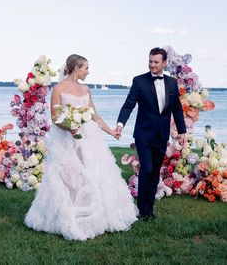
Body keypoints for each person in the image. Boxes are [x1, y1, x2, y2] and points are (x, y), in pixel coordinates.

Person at [24, 54, 137, 240]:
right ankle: (67, 215)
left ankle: (95, 217)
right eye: (86, 68)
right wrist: (69, 126)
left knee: (92, 174)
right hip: (66, 139)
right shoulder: (58, 89)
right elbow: (55, 118)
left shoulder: (85, 89)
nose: (88, 71)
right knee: (68, 177)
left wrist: (111, 131)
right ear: (76, 68)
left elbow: (94, 115)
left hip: (88, 139)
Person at [116, 47, 187, 220]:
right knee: (146, 169)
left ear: (164, 63)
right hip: (143, 134)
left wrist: (182, 130)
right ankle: (142, 210)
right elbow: (129, 104)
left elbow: (176, 108)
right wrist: (120, 123)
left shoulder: (171, 83)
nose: (152, 65)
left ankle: (149, 209)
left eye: (156, 62)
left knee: (155, 172)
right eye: (150, 61)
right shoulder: (139, 81)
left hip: (162, 135)